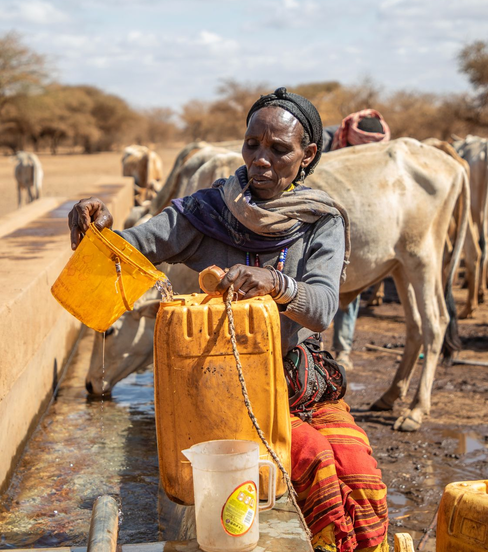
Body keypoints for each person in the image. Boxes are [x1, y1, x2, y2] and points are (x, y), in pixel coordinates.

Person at [68, 88, 388, 552]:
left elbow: (320, 310)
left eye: (279, 150)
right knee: (314, 458)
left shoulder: (320, 221)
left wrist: (275, 283)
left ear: (307, 155)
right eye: (252, 145)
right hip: (223, 391)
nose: (261, 160)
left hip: (295, 382)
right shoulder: (206, 213)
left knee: (357, 463)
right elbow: (130, 251)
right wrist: (100, 231)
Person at [327, 109, 391, 371]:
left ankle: (342, 350)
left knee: (349, 283)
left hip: (357, 223)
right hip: (322, 220)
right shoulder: (325, 143)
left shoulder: (379, 154)